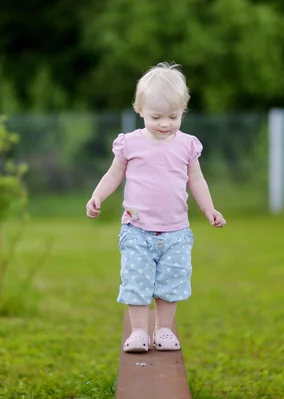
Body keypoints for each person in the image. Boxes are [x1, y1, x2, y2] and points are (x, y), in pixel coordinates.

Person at [85, 62, 226, 353]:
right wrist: (97, 196)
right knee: (137, 282)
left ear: (183, 109)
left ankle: (162, 330)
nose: (165, 124)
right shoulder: (130, 143)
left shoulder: (187, 145)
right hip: (137, 230)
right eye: (156, 116)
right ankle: (139, 332)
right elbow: (114, 174)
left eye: (173, 117)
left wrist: (209, 209)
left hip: (176, 232)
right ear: (140, 110)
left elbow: (196, 179)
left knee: (170, 283)